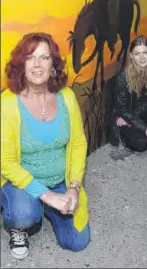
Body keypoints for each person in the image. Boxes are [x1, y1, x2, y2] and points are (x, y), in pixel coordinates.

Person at [1, 33, 90, 260]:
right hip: (22, 181)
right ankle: (22, 221)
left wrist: (73, 187)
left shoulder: (67, 96)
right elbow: (5, 162)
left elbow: (78, 142)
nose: (38, 65)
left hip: (60, 180)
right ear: (22, 65)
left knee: (77, 242)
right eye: (30, 58)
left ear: (53, 65)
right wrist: (48, 195)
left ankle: (48, 207)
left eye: (44, 58)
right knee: (24, 215)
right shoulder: (8, 103)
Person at [109, 36, 147, 162]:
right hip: (127, 113)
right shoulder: (123, 77)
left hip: (143, 110)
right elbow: (121, 107)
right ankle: (126, 134)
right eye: (137, 53)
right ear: (131, 56)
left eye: (145, 52)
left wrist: (143, 124)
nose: (142, 57)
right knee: (140, 144)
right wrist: (146, 128)